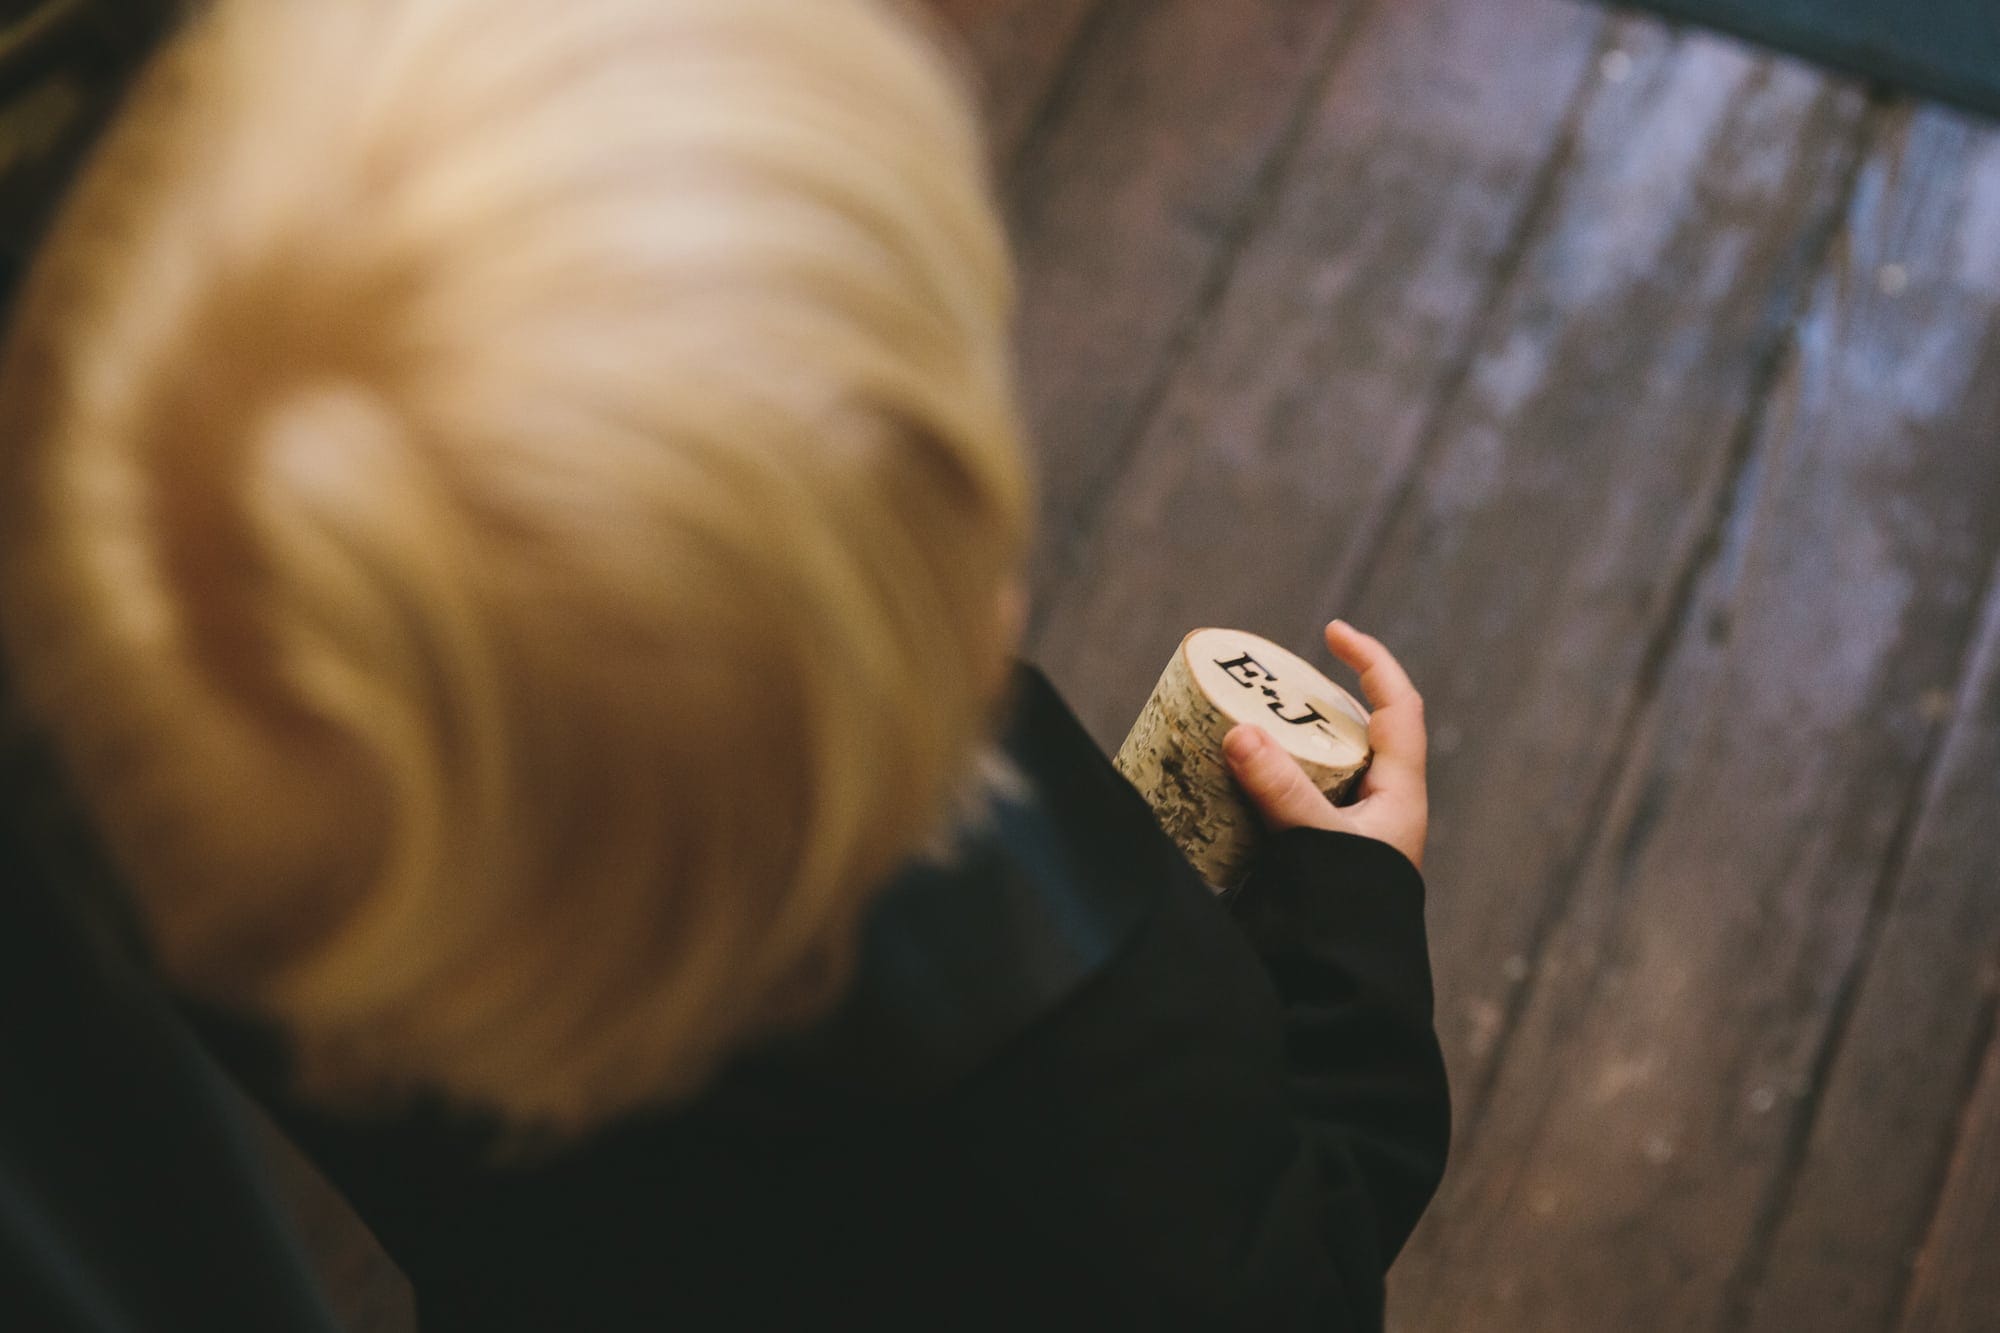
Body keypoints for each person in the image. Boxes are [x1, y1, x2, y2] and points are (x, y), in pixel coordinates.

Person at [0, 0, 1449, 1327]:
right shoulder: (1094, 1060)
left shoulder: (296, 890)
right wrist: (1355, 933)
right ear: (946, 636)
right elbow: (1296, 1268)